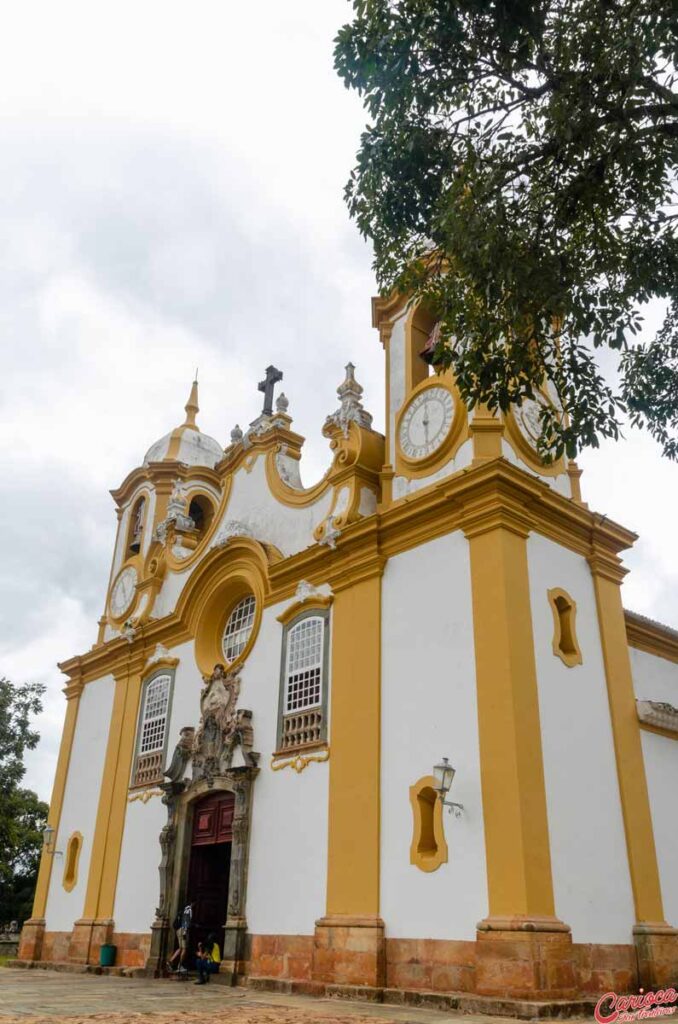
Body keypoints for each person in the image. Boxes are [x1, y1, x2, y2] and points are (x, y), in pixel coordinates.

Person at [166, 902, 193, 974]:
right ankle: (180, 966)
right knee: (184, 948)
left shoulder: (182, 910)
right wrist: (185, 932)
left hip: (178, 930)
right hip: (183, 930)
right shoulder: (188, 909)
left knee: (180, 948)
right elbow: (186, 922)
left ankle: (170, 961)